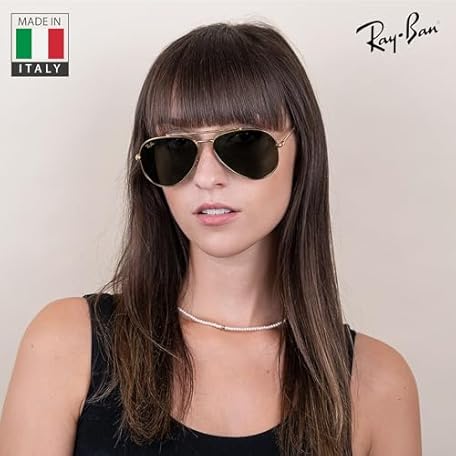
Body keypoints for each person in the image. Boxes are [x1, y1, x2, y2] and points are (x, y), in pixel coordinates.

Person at [0, 21, 421, 456]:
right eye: (176, 148)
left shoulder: (377, 386)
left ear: (303, 152)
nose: (206, 177)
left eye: (243, 142)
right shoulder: (65, 346)